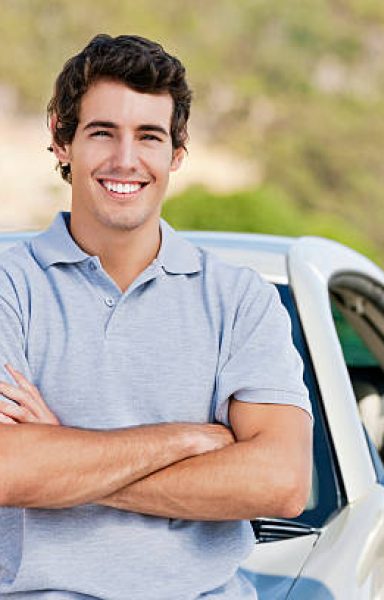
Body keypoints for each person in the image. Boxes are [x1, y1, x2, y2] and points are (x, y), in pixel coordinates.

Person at [0, 34, 313, 599]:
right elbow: (7, 469)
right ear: (61, 138)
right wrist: (188, 438)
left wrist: (63, 454)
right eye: (102, 133)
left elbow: (281, 481)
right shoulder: (9, 287)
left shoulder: (240, 300)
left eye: (149, 136)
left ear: (176, 152)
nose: (126, 160)